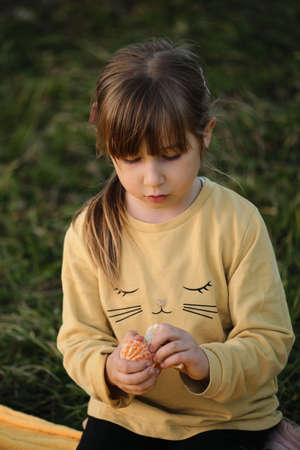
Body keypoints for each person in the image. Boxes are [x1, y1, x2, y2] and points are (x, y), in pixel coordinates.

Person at [57, 39, 295, 450]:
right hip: (128, 415)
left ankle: (271, 434)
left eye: (170, 154)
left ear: (204, 136)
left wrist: (207, 362)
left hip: (226, 416)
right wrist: (109, 370)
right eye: (131, 159)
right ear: (108, 147)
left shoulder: (236, 222)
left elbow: (269, 338)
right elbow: (78, 337)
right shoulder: (90, 231)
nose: (152, 179)